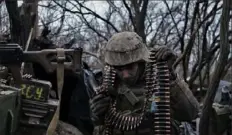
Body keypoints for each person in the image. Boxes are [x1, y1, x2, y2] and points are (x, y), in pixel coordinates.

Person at [89, 31, 200, 135]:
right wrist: (97, 116)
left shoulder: (160, 79)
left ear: (140, 61)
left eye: (130, 67)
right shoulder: (108, 84)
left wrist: (171, 77)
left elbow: (191, 113)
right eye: (119, 69)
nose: (125, 75)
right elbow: (98, 126)